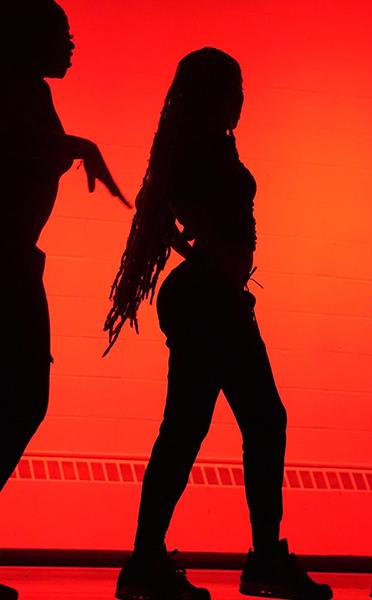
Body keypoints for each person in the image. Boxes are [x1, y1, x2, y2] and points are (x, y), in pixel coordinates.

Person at [104, 48, 332, 600]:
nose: (242, 97)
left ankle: (151, 561)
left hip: (208, 295)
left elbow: (162, 210)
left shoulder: (201, 144)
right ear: (219, 93)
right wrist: (210, 250)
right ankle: (259, 560)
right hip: (211, 300)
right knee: (256, 420)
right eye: (236, 86)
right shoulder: (201, 147)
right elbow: (174, 207)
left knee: (193, 428)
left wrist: (199, 248)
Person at [0, 2, 128, 598]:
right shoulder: (12, 91)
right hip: (3, 269)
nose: (72, 46)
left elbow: (39, 148)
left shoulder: (29, 93)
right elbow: (26, 149)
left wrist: (80, 145)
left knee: (20, 402)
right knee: (20, 400)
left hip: (19, 265)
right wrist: (83, 145)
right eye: (62, 35)